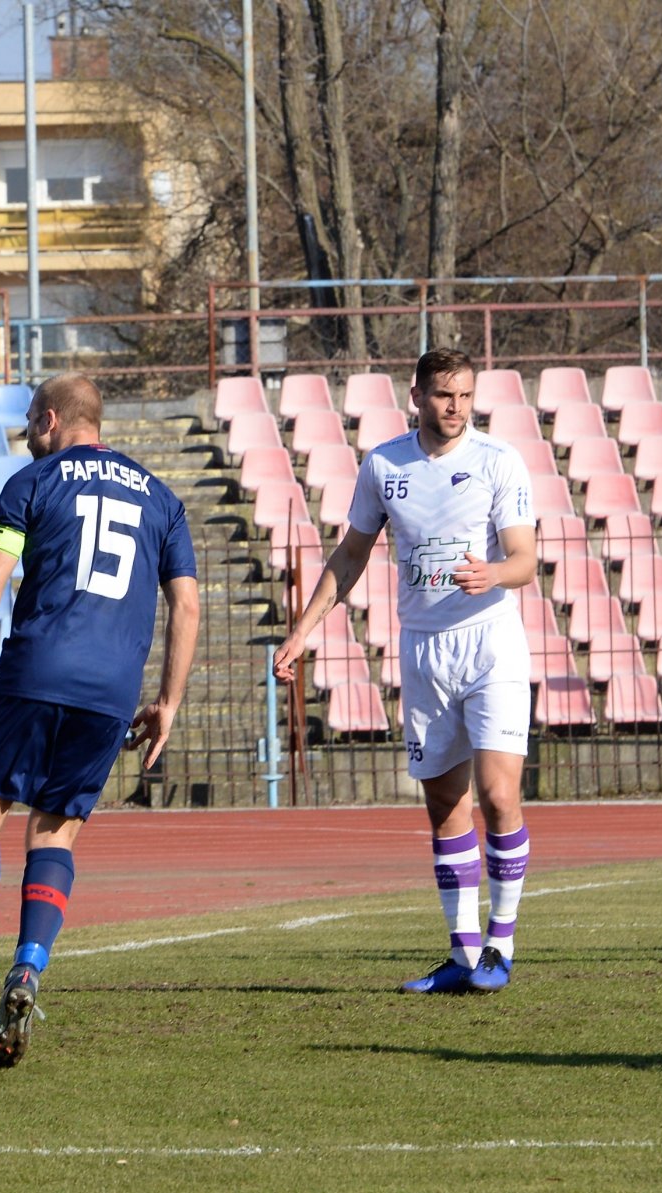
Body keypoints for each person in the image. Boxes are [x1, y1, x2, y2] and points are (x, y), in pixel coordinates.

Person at [0, 373, 199, 1068]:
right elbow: (187, 606)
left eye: (29, 430)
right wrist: (167, 701)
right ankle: (28, 969)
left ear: (49, 419)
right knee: (56, 830)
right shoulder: (163, 499)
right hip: (111, 690)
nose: (28, 442)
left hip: (36, 668)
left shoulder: (34, 484)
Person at [273, 348, 536, 995]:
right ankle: (462, 954)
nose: (456, 407)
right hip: (422, 652)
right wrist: (304, 630)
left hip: (490, 641)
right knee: (445, 804)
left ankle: (501, 946)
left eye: (466, 395)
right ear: (415, 395)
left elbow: (526, 559)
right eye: (444, 395)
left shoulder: (498, 461)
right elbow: (352, 553)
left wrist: (492, 573)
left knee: (499, 796)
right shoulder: (384, 465)